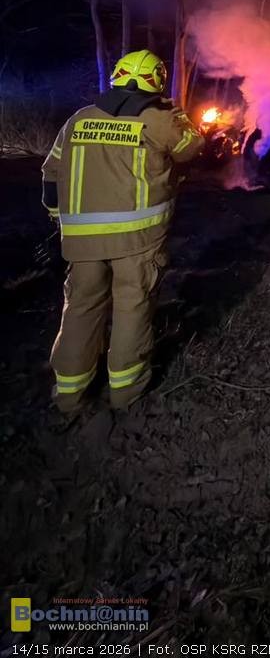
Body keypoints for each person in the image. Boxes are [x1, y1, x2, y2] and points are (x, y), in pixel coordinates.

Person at [41, 50, 203, 412]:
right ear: (157, 81)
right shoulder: (159, 119)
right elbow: (191, 149)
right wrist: (180, 118)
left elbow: (50, 172)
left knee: (81, 307)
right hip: (138, 239)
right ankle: (126, 393)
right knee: (132, 305)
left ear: (117, 76)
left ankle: (69, 394)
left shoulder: (78, 120)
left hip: (82, 241)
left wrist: (58, 217)